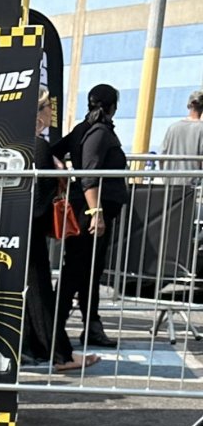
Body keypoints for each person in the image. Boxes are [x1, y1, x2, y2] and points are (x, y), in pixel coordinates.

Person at [22, 88, 98, 372]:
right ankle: (60, 355)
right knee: (40, 291)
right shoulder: (38, 146)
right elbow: (40, 199)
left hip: (14, 227)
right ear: (38, 113)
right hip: (30, 229)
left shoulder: (19, 143)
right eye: (47, 108)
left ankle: (39, 349)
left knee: (33, 291)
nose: (51, 113)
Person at [53, 83, 127, 350]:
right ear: (111, 106)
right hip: (91, 212)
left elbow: (56, 152)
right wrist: (97, 213)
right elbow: (89, 176)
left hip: (91, 210)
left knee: (89, 272)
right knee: (76, 270)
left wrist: (60, 165)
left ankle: (90, 326)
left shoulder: (85, 129)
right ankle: (53, 327)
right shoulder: (96, 132)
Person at [160, 90, 203, 171]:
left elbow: (162, 156)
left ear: (188, 106)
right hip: (194, 181)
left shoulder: (172, 128)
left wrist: (164, 175)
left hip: (170, 180)